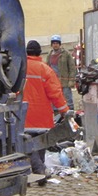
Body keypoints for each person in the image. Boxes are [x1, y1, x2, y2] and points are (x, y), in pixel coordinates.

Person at [23, 40, 69, 174]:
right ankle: (40, 169)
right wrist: (64, 111)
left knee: (26, 143)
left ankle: (36, 170)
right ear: (39, 53)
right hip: (41, 116)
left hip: (24, 115)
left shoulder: (19, 69)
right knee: (41, 143)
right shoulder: (45, 70)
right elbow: (55, 93)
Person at [47, 34, 77, 110]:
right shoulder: (49, 55)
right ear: (51, 44)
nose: (55, 45)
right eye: (54, 43)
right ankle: (57, 114)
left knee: (68, 99)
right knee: (55, 99)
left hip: (65, 82)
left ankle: (70, 112)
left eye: (57, 43)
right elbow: (47, 68)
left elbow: (72, 68)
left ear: (60, 44)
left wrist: (71, 80)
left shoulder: (66, 54)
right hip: (54, 82)